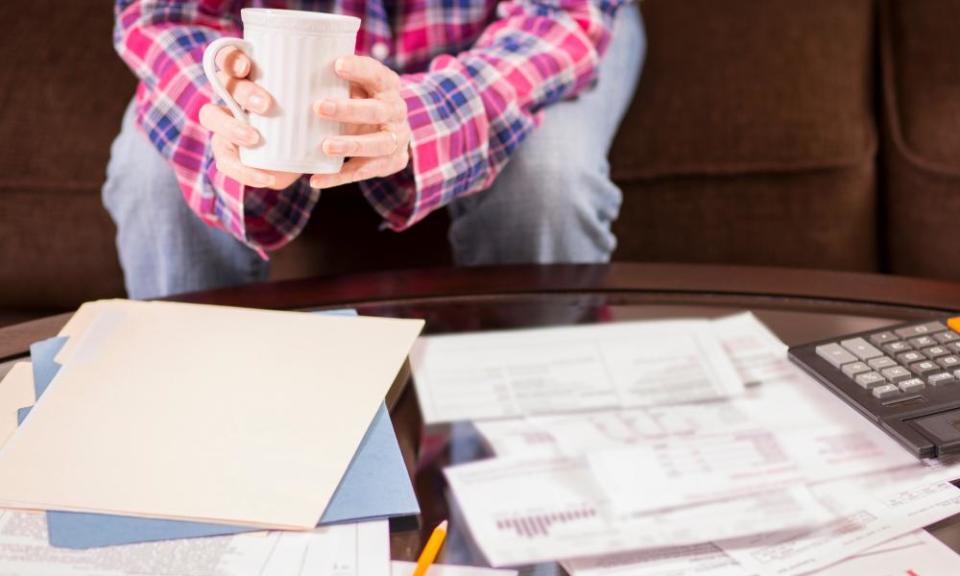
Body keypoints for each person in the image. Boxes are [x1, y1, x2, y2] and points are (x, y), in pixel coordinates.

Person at [104, 0, 646, 299]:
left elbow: (562, 15)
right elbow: (161, 17)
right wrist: (232, 104)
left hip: (508, 37)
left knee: (550, 181)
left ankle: (535, 402)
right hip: (261, 46)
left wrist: (428, 114)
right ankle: (194, 412)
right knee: (153, 181)